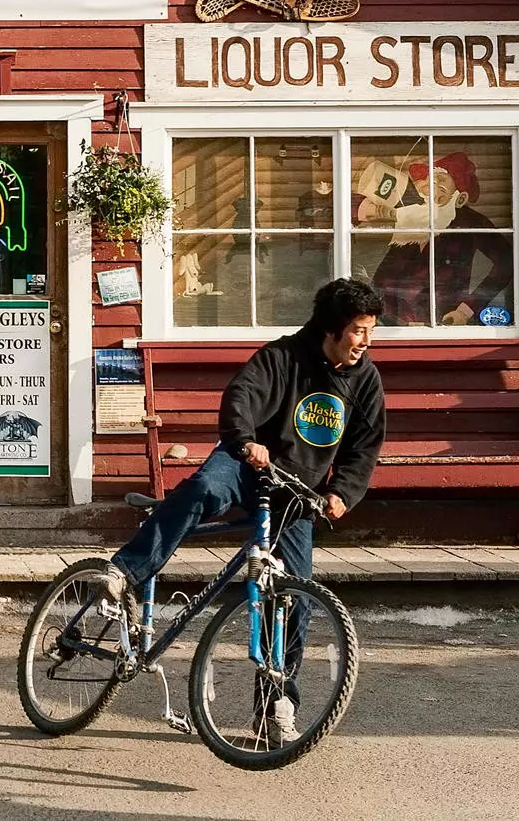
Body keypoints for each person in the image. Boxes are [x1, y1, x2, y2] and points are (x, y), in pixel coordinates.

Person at [105, 277, 387, 742]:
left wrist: (344, 492)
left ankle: (275, 708)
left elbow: (364, 445)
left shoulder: (365, 380)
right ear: (332, 329)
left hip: (295, 491)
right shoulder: (282, 357)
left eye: (370, 331)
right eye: (359, 330)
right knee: (201, 491)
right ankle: (126, 571)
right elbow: (241, 396)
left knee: (294, 600)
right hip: (244, 463)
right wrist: (246, 441)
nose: (365, 342)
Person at [364, 152, 512, 327]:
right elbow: (385, 276)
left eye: (440, 189)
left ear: (460, 198)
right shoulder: (412, 215)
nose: (430, 193)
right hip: (393, 322)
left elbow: (507, 262)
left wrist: (466, 310)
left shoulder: (470, 222)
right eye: (428, 185)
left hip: (441, 320)